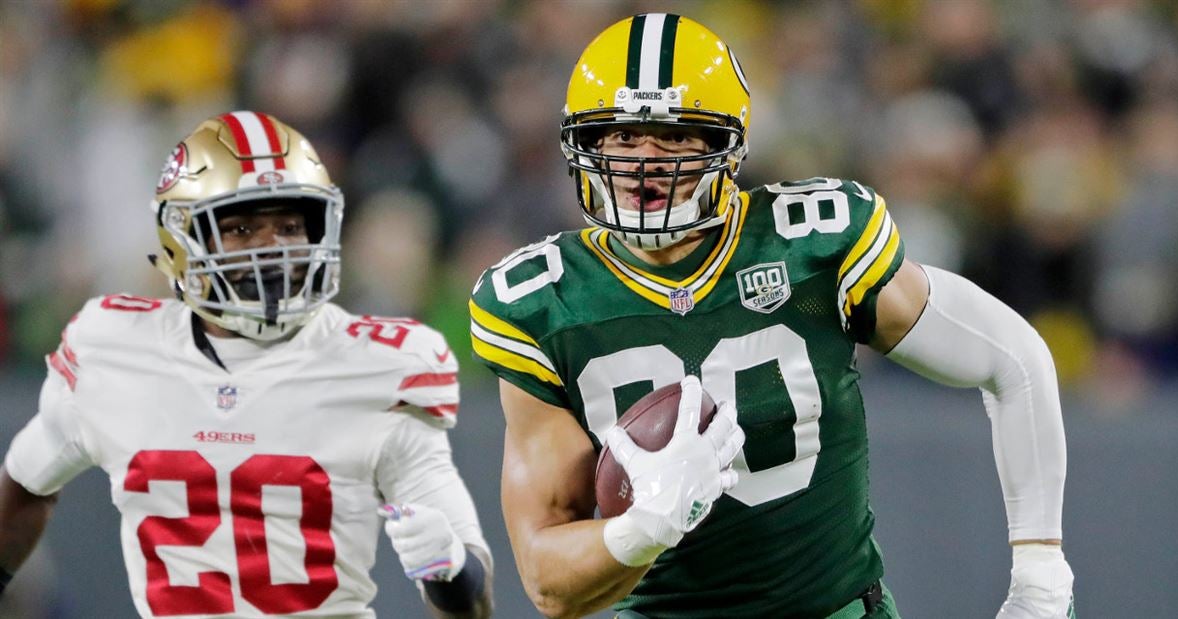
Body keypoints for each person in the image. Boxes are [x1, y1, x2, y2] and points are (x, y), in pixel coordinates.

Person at [469, 13, 1074, 619]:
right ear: (587, 143)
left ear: (724, 147)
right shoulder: (541, 305)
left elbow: (1013, 358)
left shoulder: (812, 244)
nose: (645, 162)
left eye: (674, 135)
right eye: (622, 137)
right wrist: (646, 527)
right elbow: (548, 582)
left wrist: (1041, 572)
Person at [0, 112, 493, 618]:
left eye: (289, 226)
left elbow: (475, 604)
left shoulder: (381, 367)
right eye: (240, 228)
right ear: (181, 239)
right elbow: (25, 483)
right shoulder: (116, 349)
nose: (272, 249)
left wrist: (452, 573)